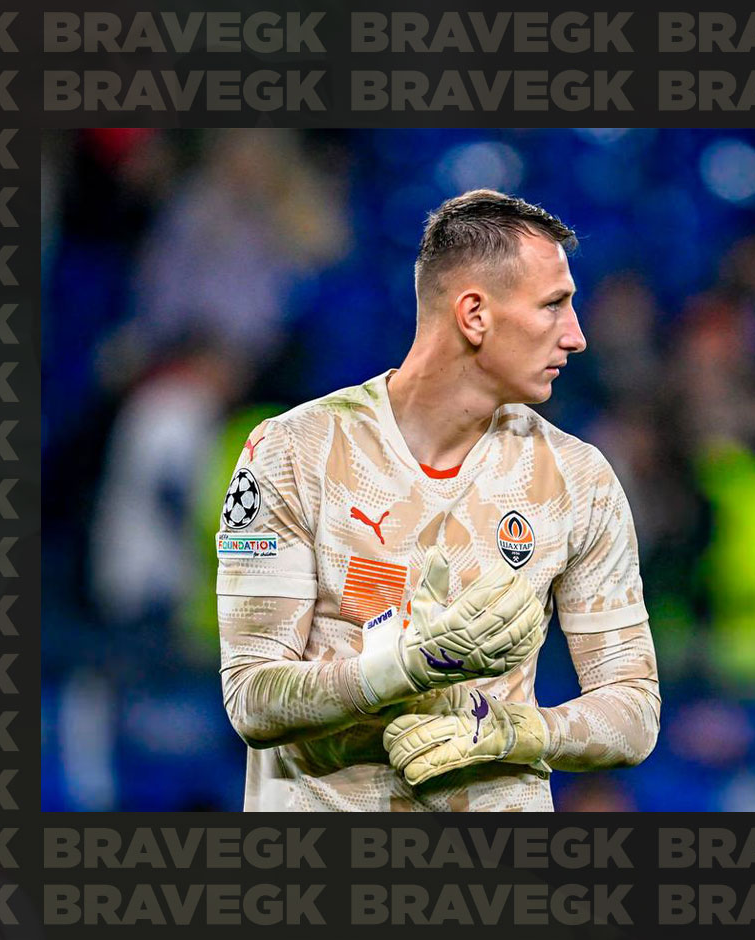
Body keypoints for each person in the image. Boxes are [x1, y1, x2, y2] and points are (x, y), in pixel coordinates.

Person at [215, 190, 660, 811]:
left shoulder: (577, 478)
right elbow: (252, 698)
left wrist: (518, 733)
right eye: (554, 306)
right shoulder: (293, 453)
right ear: (474, 315)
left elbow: (634, 711)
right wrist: (410, 665)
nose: (577, 337)